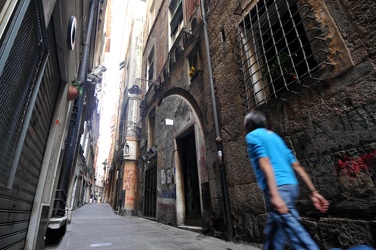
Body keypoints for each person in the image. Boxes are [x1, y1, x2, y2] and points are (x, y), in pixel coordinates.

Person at [244, 111, 329, 250]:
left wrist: (275, 195)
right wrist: (313, 192)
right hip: (292, 186)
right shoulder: (276, 138)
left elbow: (265, 162)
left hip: (279, 189)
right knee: (273, 237)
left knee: (296, 234)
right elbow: (296, 165)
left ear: (249, 125)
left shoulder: (252, 136)